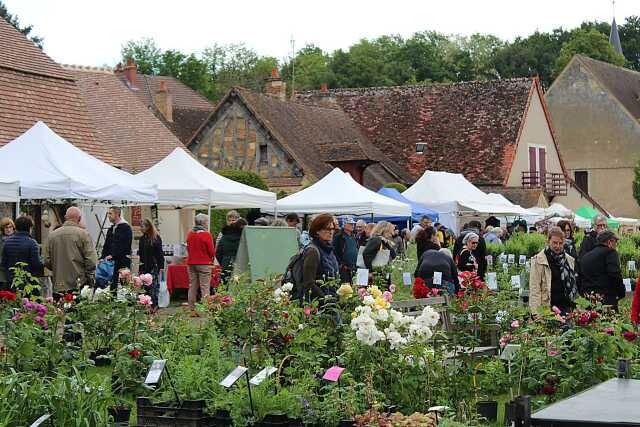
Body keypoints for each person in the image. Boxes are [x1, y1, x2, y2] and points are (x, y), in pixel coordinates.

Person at [45, 207, 97, 292]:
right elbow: (91, 261)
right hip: (79, 282)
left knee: (59, 305)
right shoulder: (84, 234)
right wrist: (88, 276)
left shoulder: (52, 236)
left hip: (59, 283)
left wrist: (57, 268)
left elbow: (47, 260)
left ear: (65, 217)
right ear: (79, 218)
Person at [529, 227, 578, 313]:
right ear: (548, 242)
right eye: (555, 243)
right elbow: (535, 289)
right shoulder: (538, 260)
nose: (558, 246)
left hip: (567, 308)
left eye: (560, 243)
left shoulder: (569, 260)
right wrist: (536, 313)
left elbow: (573, 285)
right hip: (547, 309)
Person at [580, 230, 625, 310]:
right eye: (615, 242)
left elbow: (580, 278)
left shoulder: (586, 256)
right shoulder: (610, 252)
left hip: (588, 300)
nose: (616, 245)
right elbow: (615, 274)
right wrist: (621, 292)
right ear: (609, 242)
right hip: (607, 301)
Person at [300, 213, 339, 301]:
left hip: (332, 302)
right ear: (317, 231)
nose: (331, 232)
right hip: (319, 306)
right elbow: (309, 283)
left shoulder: (328, 249)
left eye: (333, 229)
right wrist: (325, 299)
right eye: (327, 229)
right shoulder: (313, 251)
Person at [1, 216, 43, 288]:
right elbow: (37, 264)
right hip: (27, 281)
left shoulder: (7, 242)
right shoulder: (32, 243)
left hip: (11, 280)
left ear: (16, 227)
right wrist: (43, 261)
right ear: (30, 228)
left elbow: (3, 262)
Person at [186, 213, 215, 315]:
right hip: (204, 263)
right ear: (203, 223)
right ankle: (205, 308)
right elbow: (212, 251)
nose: (207, 223)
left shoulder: (190, 234)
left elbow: (188, 248)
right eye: (207, 221)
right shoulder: (206, 235)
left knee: (192, 286)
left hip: (191, 263)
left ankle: (192, 308)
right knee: (205, 287)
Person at [100, 206, 133, 291]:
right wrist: (103, 257)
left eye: (110, 213)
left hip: (122, 262)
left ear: (117, 214)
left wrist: (113, 255)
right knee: (111, 286)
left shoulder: (126, 228)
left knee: (123, 286)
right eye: (108, 214)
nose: (108, 216)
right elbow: (106, 245)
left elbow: (125, 246)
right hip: (111, 264)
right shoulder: (111, 229)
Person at [138, 219, 165, 312]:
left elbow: (160, 254)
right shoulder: (142, 239)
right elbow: (141, 253)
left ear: (148, 227)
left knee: (153, 287)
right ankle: (147, 306)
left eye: (142, 226)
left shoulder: (156, 238)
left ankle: (154, 305)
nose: (140, 229)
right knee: (145, 287)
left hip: (154, 265)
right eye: (140, 226)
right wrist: (140, 267)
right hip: (144, 266)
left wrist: (161, 267)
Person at [216, 218, 247, 283]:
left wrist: (223, 262)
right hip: (240, 265)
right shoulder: (243, 238)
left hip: (225, 263)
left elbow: (218, 253)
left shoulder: (224, 237)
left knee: (224, 285)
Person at [333, 216, 358, 283]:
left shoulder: (354, 236)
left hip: (353, 267)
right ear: (344, 224)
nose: (352, 225)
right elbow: (334, 252)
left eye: (353, 224)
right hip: (344, 269)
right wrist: (342, 264)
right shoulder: (338, 237)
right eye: (350, 224)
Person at [0, 217, 15, 290]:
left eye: (10, 227)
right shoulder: (1, 241)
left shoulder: (16, 239)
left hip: (14, 273)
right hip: (2, 273)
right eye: (6, 228)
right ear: (2, 229)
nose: (8, 229)